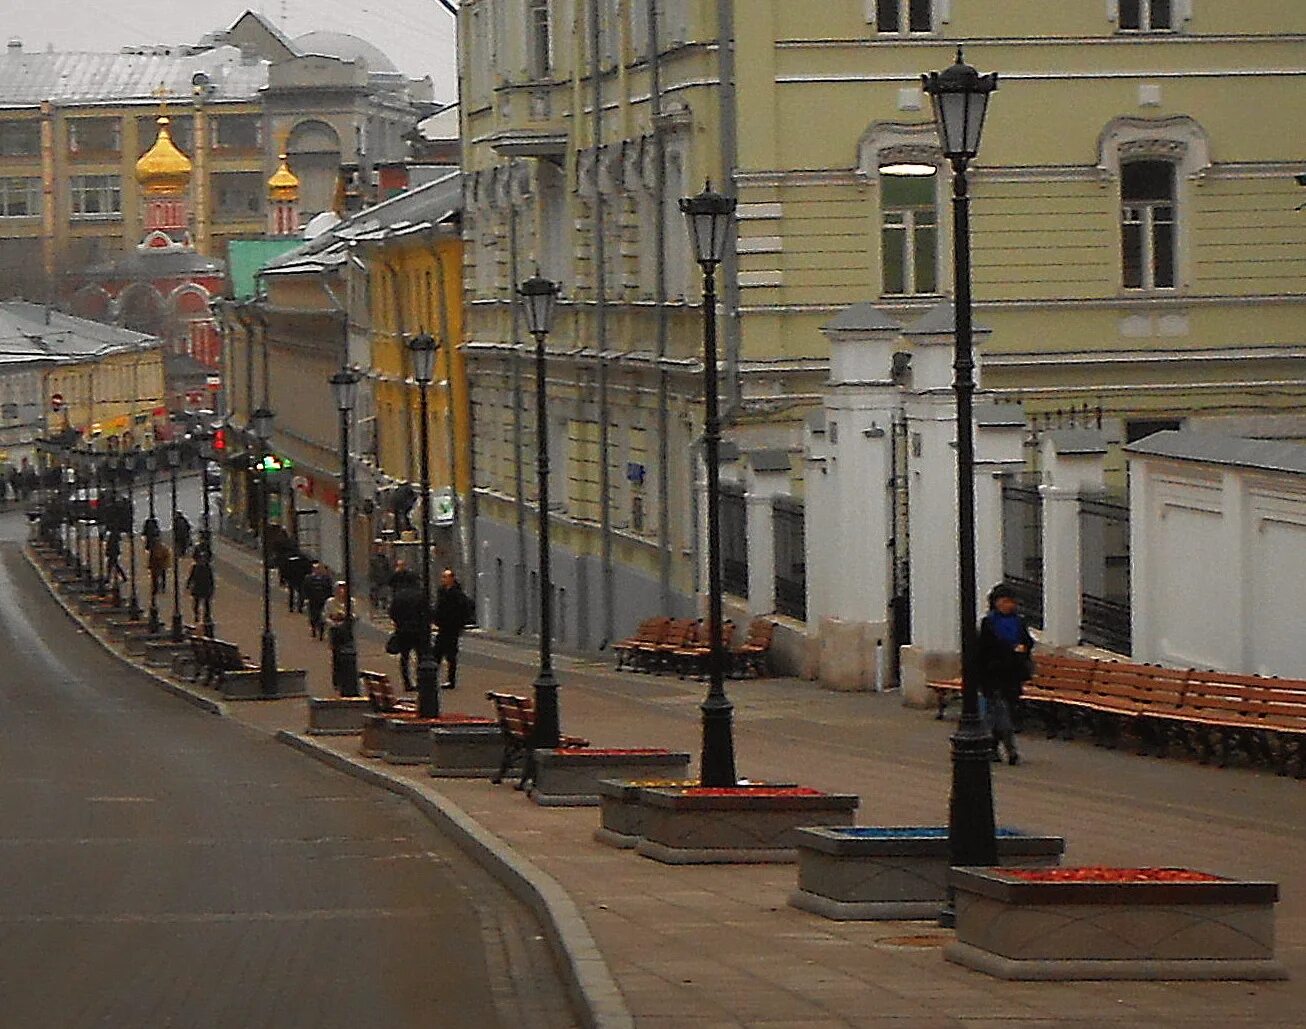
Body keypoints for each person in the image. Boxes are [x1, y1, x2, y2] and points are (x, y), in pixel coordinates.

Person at [976, 583, 1036, 766]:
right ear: (995, 603)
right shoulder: (989, 623)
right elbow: (986, 648)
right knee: (1001, 712)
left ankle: (992, 747)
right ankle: (1011, 751)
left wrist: (1021, 649)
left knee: (1001, 712)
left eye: (1010, 601)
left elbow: (1027, 642)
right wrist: (1011, 649)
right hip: (993, 675)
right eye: (1003, 601)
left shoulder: (1018, 622)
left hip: (1012, 675)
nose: (1007, 605)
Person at [431, 568, 474, 690]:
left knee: (451, 655)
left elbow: (465, 608)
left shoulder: (457, 594)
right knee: (436, 654)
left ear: (451, 579)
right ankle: (433, 679)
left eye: (445, 577)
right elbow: (438, 607)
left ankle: (451, 680)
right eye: (442, 577)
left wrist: (459, 623)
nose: (443, 580)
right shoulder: (442, 591)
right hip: (442, 627)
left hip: (452, 629)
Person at [387, 578, 429, 692]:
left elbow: (392, 613)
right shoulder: (420, 595)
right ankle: (421, 680)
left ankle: (407, 682)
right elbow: (426, 612)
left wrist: (399, 622)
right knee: (421, 657)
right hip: (418, 630)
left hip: (402, 630)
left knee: (404, 657)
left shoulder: (398, 596)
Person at [302, 561, 334, 640]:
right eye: (315, 569)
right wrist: (306, 598)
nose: (317, 571)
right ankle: (313, 629)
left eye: (318, 569)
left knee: (322, 616)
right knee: (313, 616)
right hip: (313, 600)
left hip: (323, 600)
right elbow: (305, 589)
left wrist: (329, 598)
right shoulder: (308, 578)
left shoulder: (326, 579)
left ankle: (321, 632)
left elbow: (329, 589)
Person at [186, 550, 215, 628]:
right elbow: (191, 577)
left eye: (203, 558)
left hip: (205, 587)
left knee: (206, 604)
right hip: (198, 587)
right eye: (201, 558)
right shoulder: (195, 567)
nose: (202, 560)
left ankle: (207, 617)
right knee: (196, 604)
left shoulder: (208, 568)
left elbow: (211, 579)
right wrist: (188, 585)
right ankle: (196, 615)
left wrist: (211, 588)